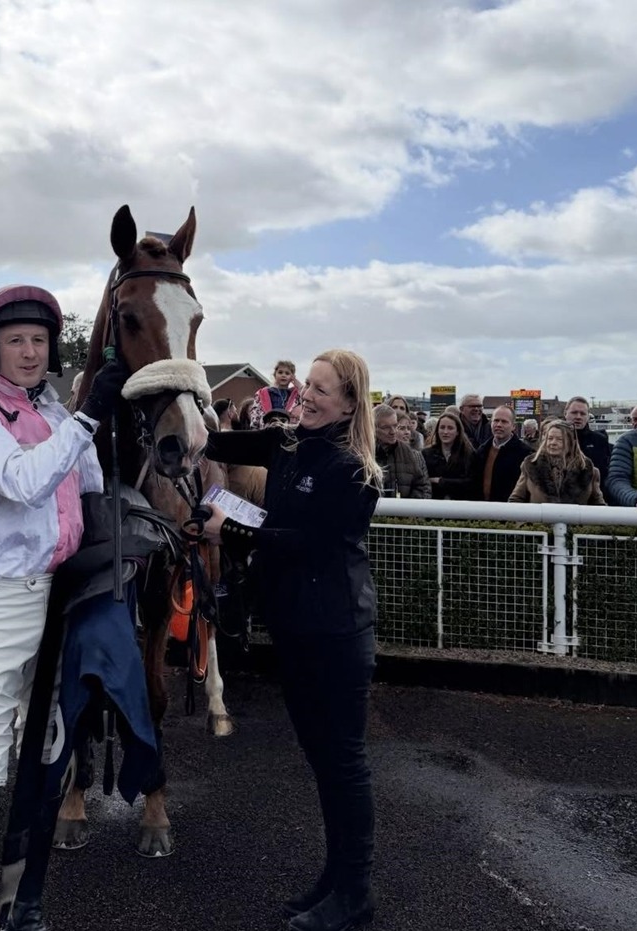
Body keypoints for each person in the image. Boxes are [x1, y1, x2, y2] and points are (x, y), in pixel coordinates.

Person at [0, 285, 127, 931]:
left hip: (63, 600)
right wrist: (91, 416)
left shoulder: (62, 419)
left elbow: (95, 490)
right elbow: (23, 480)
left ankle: (22, 907)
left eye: (39, 340)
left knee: (44, 769)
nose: (30, 352)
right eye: (16, 340)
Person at [203, 349, 382, 931]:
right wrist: (177, 399)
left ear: (350, 403)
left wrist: (226, 528)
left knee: (344, 763)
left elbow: (310, 542)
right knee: (323, 761)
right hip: (296, 629)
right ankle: (336, 879)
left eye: (322, 389)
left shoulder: (353, 470)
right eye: (307, 383)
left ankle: (354, 893)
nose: (307, 394)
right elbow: (216, 445)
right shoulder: (284, 441)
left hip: (335, 632)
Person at [509, 421, 605, 504]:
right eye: (550, 438)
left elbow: (599, 506)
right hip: (539, 524)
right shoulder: (530, 466)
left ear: (571, 443)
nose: (553, 443)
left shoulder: (589, 471)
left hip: (575, 524)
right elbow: (516, 500)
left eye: (560, 439)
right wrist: (524, 525)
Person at [469, 406, 529, 502]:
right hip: (481, 510)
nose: (499, 425)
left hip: (510, 511)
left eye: (504, 422)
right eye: (496, 421)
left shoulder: (525, 454)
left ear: (513, 426)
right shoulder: (481, 451)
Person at [373, 404, 431, 499]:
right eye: (385, 427)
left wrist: (408, 509)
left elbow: (422, 486)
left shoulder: (407, 452)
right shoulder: (361, 453)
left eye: (395, 426)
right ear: (373, 428)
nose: (392, 432)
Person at [421, 411, 474, 500]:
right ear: (437, 430)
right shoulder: (426, 454)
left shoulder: (468, 454)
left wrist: (440, 481)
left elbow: (470, 483)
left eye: (450, 428)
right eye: (442, 427)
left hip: (460, 505)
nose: (445, 432)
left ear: (457, 432)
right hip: (434, 504)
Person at [564, 396, 611, 486]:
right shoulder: (554, 439)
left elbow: (604, 473)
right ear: (565, 413)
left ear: (588, 416)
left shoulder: (599, 440)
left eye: (582, 414)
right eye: (574, 413)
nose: (578, 417)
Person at [250, 360, 301, 429]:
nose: (283, 375)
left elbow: (306, 399)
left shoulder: (295, 395)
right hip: (266, 428)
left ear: (292, 377)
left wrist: (298, 384)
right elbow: (255, 412)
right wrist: (254, 427)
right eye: (280, 372)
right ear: (275, 375)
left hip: (286, 430)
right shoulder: (262, 393)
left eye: (287, 373)